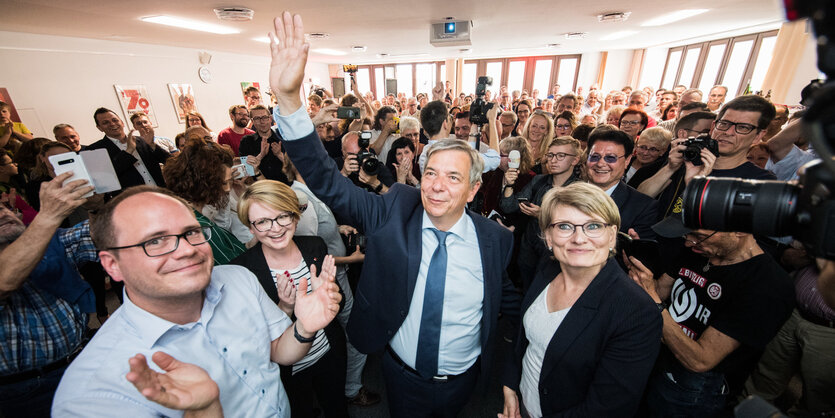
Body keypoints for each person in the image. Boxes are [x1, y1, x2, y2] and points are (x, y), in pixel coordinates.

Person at [267, 12, 521, 416]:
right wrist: (290, 102)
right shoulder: (395, 208)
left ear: (474, 189)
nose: (436, 185)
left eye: (452, 178)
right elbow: (327, 182)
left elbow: (510, 306)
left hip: (465, 380)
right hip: (400, 375)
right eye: (431, 173)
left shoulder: (496, 240)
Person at [52, 185, 342, 417]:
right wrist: (206, 412)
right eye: (155, 241)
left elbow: (279, 351)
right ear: (112, 265)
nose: (185, 250)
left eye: (191, 232)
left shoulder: (237, 280)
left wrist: (304, 325)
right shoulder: (93, 392)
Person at [500, 183, 662, 418]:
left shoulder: (636, 311)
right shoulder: (548, 268)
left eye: (593, 226)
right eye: (564, 226)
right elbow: (524, 339)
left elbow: (607, 408)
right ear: (548, 237)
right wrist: (510, 385)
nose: (579, 238)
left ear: (612, 236)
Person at [632, 215, 795, 416]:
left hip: (692, 389)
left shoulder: (768, 286)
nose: (689, 242)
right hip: (654, 358)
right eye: (687, 234)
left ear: (740, 230)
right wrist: (639, 272)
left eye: (698, 235)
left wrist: (654, 302)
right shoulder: (697, 250)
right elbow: (660, 290)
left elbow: (700, 360)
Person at [230, 180, 349, 418]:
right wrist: (284, 307)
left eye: (282, 216)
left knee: (337, 408)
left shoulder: (315, 246)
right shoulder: (243, 271)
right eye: (262, 221)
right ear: (251, 228)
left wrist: (330, 296)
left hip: (328, 352)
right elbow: (252, 341)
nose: (275, 228)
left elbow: (339, 303)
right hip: (287, 372)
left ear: (295, 217)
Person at [0, 174, 95, 418]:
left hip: (82, 363)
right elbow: (4, 279)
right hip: (25, 392)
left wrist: (96, 208)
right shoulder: (43, 229)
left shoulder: (49, 242)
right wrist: (49, 215)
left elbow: (101, 235)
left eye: (3, 207)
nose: (2, 213)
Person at [162, 141, 247, 264]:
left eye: (230, 182)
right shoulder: (199, 228)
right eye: (223, 183)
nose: (228, 189)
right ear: (204, 182)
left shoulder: (192, 215)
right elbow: (233, 264)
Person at [585, 127, 659, 238]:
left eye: (610, 158)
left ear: (627, 161)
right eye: (594, 157)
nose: (600, 163)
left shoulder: (644, 208)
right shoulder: (563, 197)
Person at [87, 107, 170, 192]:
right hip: (130, 201)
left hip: (160, 194)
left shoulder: (141, 140)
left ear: (122, 122)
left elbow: (169, 161)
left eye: (115, 120)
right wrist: (128, 151)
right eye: (105, 122)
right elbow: (105, 179)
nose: (112, 124)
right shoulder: (94, 150)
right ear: (99, 128)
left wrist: (152, 145)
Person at [240, 104, 290, 184]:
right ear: (252, 122)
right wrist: (261, 155)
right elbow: (246, 171)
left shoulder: (283, 137)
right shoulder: (246, 141)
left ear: (270, 119)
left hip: (286, 186)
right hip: (261, 188)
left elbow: (296, 168)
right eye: (257, 118)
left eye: (264, 117)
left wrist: (279, 154)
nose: (262, 122)